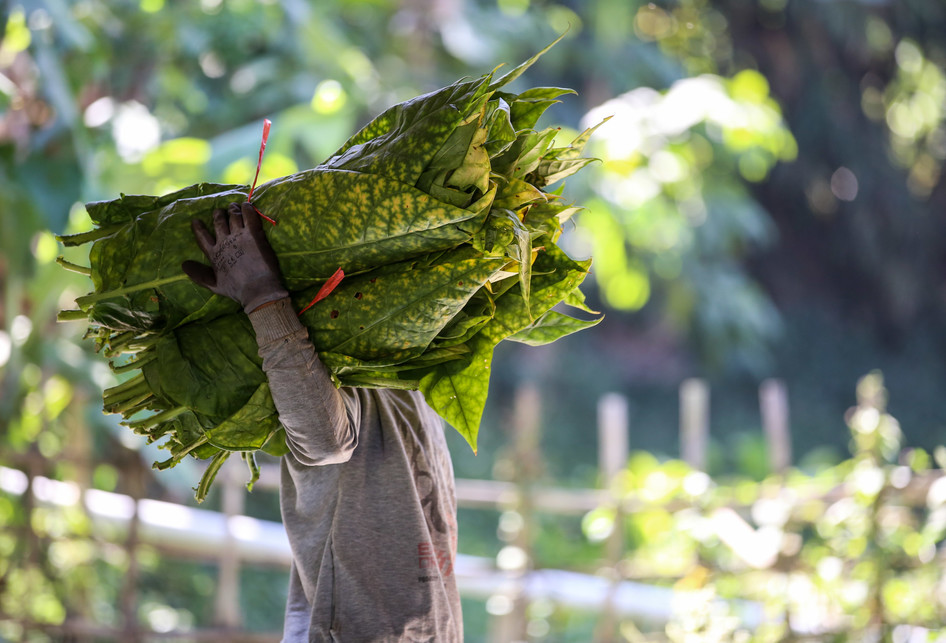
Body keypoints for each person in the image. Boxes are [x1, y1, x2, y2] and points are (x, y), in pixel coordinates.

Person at [181, 201, 463, 642]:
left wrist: (262, 294)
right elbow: (324, 439)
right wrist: (263, 296)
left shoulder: (410, 378)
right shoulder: (345, 376)